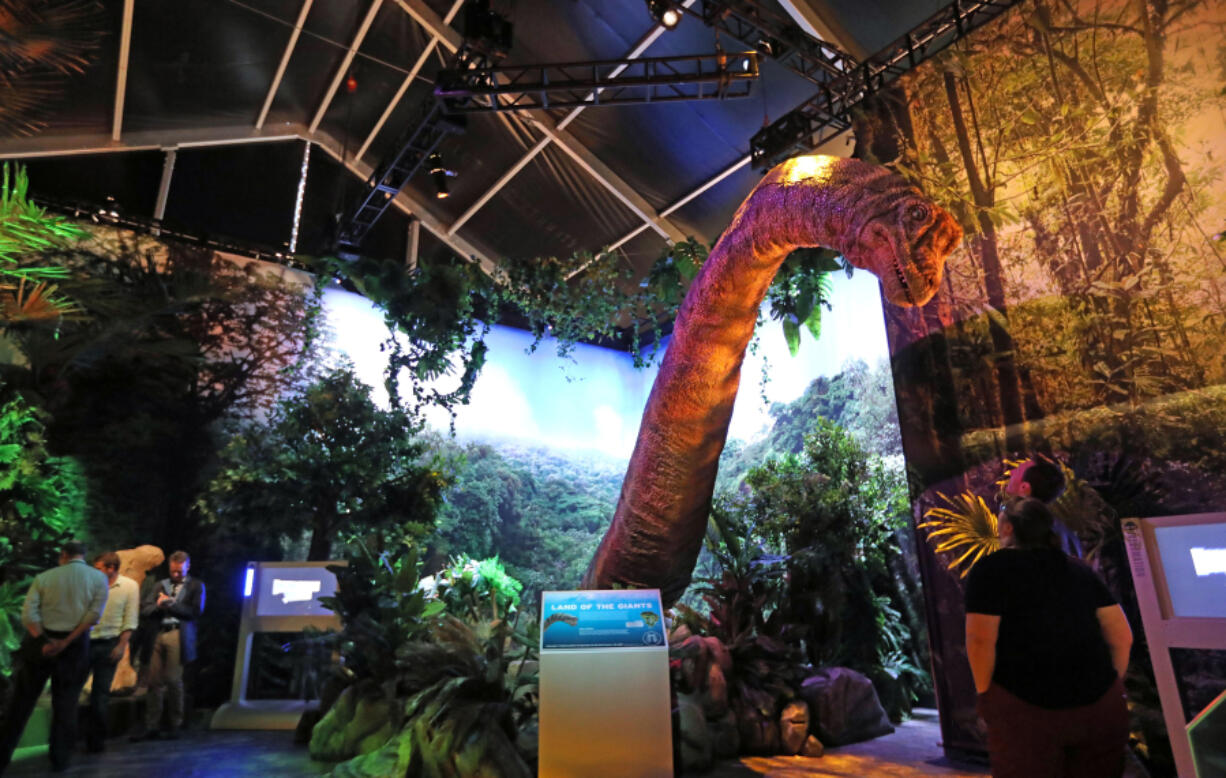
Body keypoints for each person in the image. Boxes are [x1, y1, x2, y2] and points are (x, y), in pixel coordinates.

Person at [965, 496, 1133, 778]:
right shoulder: (1078, 569)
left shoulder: (990, 570)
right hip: (1101, 707)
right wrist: (1110, 686)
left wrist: (986, 694)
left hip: (1026, 710)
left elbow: (981, 640)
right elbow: (1121, 636)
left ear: (1007, 529)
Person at [0, 540, 108, 773]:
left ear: (63, 555)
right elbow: (93, 617)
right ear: (83, 556)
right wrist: (67, 642)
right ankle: (60, 759)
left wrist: (44, 640)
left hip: (40, 647)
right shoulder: (99, 579)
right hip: (75, 647)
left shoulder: (45, 578)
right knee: (66, 704)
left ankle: (2, 754)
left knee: (21, 703)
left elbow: (28, 614)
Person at [131, 550, 204, 741]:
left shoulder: (196, 586)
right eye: (173, 571)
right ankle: (151, 725)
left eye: (180, 571)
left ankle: (175, 723)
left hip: (177, 633)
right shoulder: (160, 585)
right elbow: (145, 608)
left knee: (173, 679)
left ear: (187, 567)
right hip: (157, 634)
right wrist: (159, 606)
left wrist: (172, 605)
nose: (176, 575)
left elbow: (195, 612)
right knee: (153, 681)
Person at [85, 551, 140, 752]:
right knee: (74, 688)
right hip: (85, 641)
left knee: (100, 694)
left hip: (109, 643)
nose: (94, 572)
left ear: (111, 569)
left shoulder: (128, 586)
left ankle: (96, 742)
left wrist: (121, 645)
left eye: (98, 568)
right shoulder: (90, 584)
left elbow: (130, 619)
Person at [1003, 456, 1082, 557]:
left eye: (1017, 471)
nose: (1012, 472)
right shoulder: (1064, 535)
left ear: (1024, 488)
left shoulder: (1022, 534)